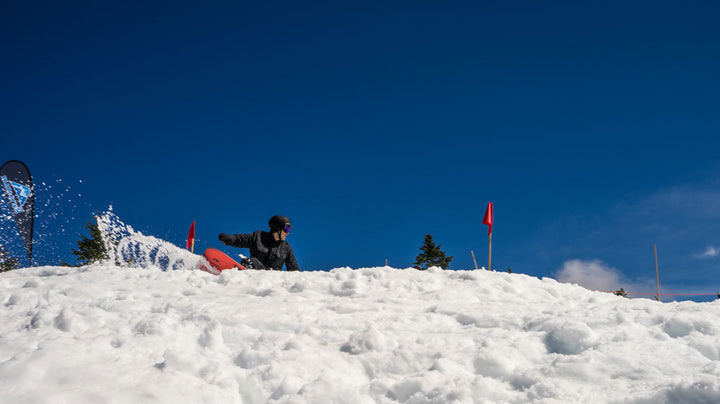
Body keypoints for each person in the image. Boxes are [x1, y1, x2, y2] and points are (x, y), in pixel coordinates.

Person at [218, 215, 299, 271]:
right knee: (250, 261)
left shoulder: (286, 248)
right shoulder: (258, 237)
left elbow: (294, 269)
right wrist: (227, 238)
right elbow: (240, 239)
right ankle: (244, 274)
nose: (288, 232)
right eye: (287, 229)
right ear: (277, 228)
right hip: (256, 273)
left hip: (273, 280)